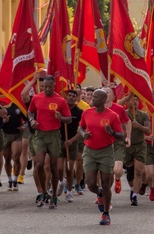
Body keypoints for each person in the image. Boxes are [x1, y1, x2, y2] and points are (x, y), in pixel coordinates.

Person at [79, 88, 125, 226]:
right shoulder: (87, 112)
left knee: (106, 182)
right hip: (89, 151)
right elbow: (80, 128)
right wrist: (83, 135)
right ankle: (99, 194)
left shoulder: (112, 116)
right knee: (90, 182)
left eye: (96, 97)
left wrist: (112, 132)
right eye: (92, 96)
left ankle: (106, 213)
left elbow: (121, 135)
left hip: (105, 151)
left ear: (103, 100)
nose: (92, 99)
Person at [27, 75, 72, 209]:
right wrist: (32, 121)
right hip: (40, 134)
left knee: (53, 166)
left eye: (48, 86)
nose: (46, 89)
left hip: (53, 135)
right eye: (44, 86)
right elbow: (30, 112)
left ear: (54, 86)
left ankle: (54, 196)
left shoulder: (60, 100)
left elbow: (69, 119)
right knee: (39, 164)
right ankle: (43, 192)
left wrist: (61, 117)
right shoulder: (36, 98)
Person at [61, 88, 85, 202]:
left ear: (76, 98)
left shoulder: (80, 112)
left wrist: (72, 140)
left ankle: (69, 191)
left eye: (73, 96)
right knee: (59, 168)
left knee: (70, 169)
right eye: (69, 95)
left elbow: (81, 130)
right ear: (65, 97)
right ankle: (61, 182)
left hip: (72, 142)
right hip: (60, 141)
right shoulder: (61, 109)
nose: (71, 97)